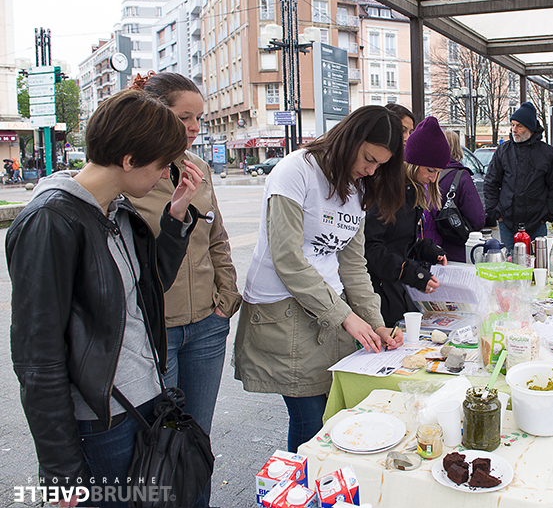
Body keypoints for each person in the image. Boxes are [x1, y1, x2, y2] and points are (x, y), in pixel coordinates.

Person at [7, 89, 202, 507]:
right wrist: (61, 472)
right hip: (101, 420)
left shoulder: (117, 211)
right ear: (129, 159)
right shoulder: (50, 222)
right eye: (162, 165)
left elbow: (145, 291)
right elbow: (36, 357)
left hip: (144, 401)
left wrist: (176, 215)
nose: (164, 176)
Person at [233, 105, 406, 453]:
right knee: (309, 418)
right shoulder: (295, 171)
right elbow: (287, 259)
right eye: (368, 158)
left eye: (379, 165)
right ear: (350, 139)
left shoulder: (357, 186)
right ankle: (303, 491)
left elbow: (353, 264)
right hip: (282, 312)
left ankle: (324, 485)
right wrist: (346, 317)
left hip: (327, 309)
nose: (370, 170)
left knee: (332, 414)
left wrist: (376, 323)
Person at [128, 73, 242, 441]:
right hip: (156, 329)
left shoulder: (199, 167)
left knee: (197, 439)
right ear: (154, 115)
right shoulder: (132, 176)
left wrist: (226, 298)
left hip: (208, 324)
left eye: (199, 119)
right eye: (184, 118)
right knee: (160, 441)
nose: (194, 128)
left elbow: (216, 238)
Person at [365, 116, 450, 326]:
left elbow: (401, 242)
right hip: (377, 293)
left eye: (438, 173)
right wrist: (410, 272)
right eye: (430, 170)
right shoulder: (387, 192)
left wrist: (429, 251)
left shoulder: (412, 192)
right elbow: (370, 248)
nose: (433, 179)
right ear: (412, 163)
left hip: (394, 289)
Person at [483, 101, 553, 252]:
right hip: (507, 221)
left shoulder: (548, 153)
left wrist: (547, 214)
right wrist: (496, 213)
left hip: (537, 222)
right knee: (510, 267)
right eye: (513, 125)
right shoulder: (503, 151)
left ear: (530, 127)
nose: (514, 130)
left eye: (519, 126)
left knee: (536, 267)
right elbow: (491, 183)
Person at [422, 129, 486, 262]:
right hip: (455, 248)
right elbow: (478, 218)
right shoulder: (461, 176)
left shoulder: (423, 173)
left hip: (424, 246)